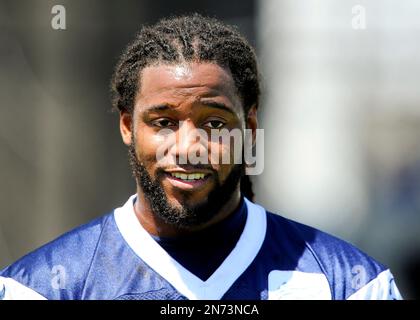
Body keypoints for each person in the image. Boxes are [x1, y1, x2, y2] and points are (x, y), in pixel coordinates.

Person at [0, 14, 402, 300]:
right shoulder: (44, 287)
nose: (189, 146)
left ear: (250, 127)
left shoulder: (349, 285)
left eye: (213, 123)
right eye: (163, 121)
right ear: (127, 126)